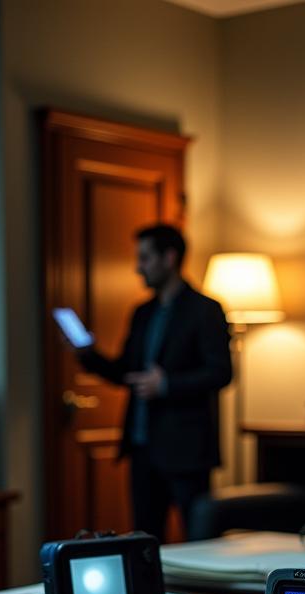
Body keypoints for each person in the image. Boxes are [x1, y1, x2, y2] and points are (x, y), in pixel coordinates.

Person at [76, 223, 231, 542]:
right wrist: (88, 355)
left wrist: (168, 385)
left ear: (169, 258)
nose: (138, 267)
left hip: (186, 450)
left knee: (199, 540)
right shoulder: (142, 312)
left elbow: (220, 372)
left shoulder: (205, 310)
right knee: (144, 540)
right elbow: (126, 373)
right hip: (142, 447)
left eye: (145, 258)